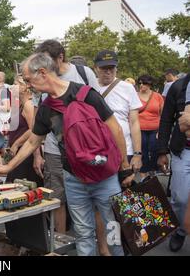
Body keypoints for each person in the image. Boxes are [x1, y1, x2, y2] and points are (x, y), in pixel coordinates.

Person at [0, 52, 133, 256]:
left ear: (42, 73)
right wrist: (8, 167)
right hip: (74, 177)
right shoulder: (46, 108)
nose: (28, 85)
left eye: (29, 80)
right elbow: (33, 142)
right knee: (83, 233)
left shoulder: (86, 94)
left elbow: (115, 129)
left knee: (114, 229)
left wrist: (125, 168)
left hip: (105, 175)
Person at [34, 39, 99, 235]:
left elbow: (99, 108)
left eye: (46, 61)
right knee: (56, 197)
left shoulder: (83, 73)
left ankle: (94, 240)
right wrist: (38, 153)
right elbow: (36, 122)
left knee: (91, 195)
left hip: (85, 147)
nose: (43, 68)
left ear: (60, 57)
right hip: (54, 150)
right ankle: (60, 240)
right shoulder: (42, 79)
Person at [94, 50, 143, 256]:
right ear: (96, 68)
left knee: (125, 205)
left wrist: (138, 154)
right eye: (104, 68)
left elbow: (134, 122)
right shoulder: (89, 88)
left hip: (126, 154)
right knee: (102, 206)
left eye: (112, 68)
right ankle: (104, 250)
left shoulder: (127, 88)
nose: (108, 72)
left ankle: (128, 245)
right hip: (99, 156)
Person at [162, 74, 190, 251]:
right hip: (183, 151)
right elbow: (166, 120)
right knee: (180, 198)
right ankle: (180, 230)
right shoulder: (178, 86)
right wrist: (161, 151)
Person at [137, 75, 164, 180]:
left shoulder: (157, 96)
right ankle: (144, 171)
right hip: (140, 128)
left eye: (143, 83)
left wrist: (161, 130)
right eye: (139, 83)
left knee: (154, 149)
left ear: (149, 84)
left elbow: (163, 115)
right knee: (142, 150)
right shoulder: (134, 95)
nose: (141, 85)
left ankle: (152, 169)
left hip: (154, 128)